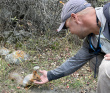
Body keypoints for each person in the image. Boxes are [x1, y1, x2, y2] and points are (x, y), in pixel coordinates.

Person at [34, 0, 110, 93]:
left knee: (106, 66)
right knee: (95, 60)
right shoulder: (92, 40)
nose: (71, 32)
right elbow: (76, 61)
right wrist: (50, 75)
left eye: (69, 27)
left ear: (75, 18)